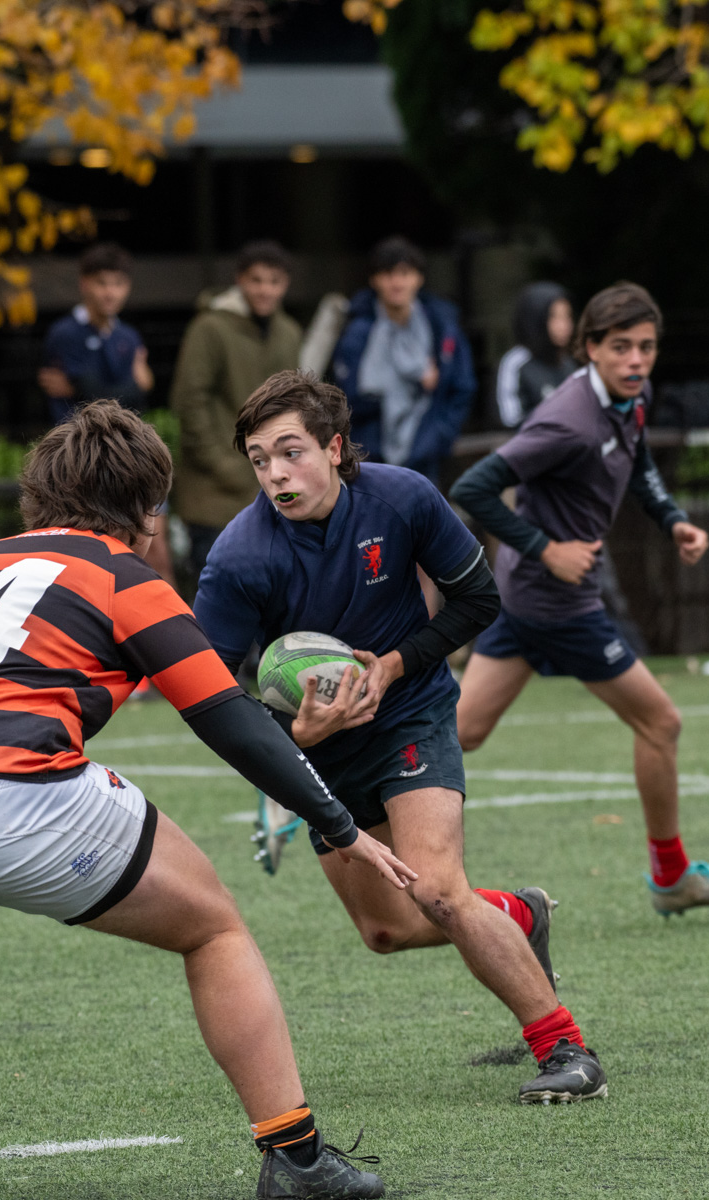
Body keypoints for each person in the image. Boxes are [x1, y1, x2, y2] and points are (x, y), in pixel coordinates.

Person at [0, 402, 405, 1197]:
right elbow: (227, 718)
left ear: (38, 495)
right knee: (214, 930)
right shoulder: (126, 577)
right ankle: (296, 1156)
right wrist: (340, 826)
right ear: (146, 512)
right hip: (15, 799)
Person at [194, 370, 606, 1105]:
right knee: (385, 931)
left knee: (439, 889)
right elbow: (210, 693)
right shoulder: (239, 558)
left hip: (411, 711)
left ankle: (564, 1047)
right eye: (260, 460)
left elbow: (479, 599)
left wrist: (391, 664)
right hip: (322, 753)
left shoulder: (404, 497)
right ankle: (519, 912)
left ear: (335, 447)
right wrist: (296, 731)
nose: (276, 474)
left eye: (291, 452)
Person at [450, 284, 709, 917]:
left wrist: (672, 517)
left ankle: (328, 773)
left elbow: (639, 459)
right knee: (662, 722)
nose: (636, 361)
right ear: (589, 349)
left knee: (462, 732)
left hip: (525, 597)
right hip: (556, 602)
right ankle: (672, 878)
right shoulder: (566, 421)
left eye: (646, 348)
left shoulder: (633, 396)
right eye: (620, 348)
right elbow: (475, 487)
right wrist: (549, 550)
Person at [171, 240, 303, 584]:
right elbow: (189, 401)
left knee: (270, 599)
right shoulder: (210, 327)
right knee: (217, 601)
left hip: (271, 490)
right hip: (214, 495)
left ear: (285, 284)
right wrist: (224, 464)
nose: (265, 289)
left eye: (274, 281)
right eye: (256, 280)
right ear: (240, 281)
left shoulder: (289, 332)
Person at [331, 237, 476, 484]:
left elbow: (462, 386)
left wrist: (440, 435)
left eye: (405, 273)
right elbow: (343, 396)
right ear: (374, 280)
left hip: (425, 454)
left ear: (419, 278)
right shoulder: (357, 331)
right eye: (388, 274)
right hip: (369, 456)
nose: (397, 282)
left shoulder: (441, 327)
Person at [37, 242, 152, 426]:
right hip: (76, 444)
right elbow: (91, 390)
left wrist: (76, 390)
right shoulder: (65, 333)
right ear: (84, 284)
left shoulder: (129, 336)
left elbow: (134, 404)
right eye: (102, 283)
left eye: (118, 283)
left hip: (123, 443)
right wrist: (137, 387)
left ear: (128, 286)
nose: (110, 293)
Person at [494, 283, 575, 428]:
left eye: (567, 316)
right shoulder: (516, 363)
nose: (564, 325)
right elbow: (510, 419)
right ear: (536, 318)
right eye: (554, 317)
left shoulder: (567, 363)